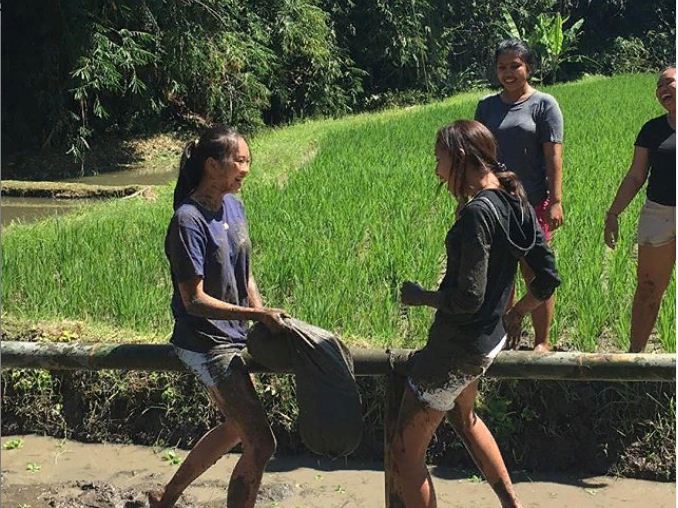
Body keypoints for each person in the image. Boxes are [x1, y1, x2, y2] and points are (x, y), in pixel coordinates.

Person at [393, 120, 560, 508]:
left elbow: (468, 299)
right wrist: (516, 314)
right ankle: (511, 504)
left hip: (457, 348)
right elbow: (547, 278)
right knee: (464, 419)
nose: (436, 170)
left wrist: (421, 297)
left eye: (439, 159)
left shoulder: (476, 214)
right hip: (488, 341)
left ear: (461, 158)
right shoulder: (514, 200)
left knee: (404, 454)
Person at [148, 124, 290, 508]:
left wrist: (258, 315)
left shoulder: (234, 206)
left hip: (235, 336)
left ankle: (166, 496)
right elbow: (193, 301)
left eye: (248, 160)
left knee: (236, 429)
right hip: (204, 341)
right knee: (261, 442)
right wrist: (256, 316)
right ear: (213, 165)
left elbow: (245, 274)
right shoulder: (187, 221)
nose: (246, 168)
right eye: (240, 160)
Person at [475, 38, 564, 352]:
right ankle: (502, 338)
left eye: (515, 65)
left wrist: (555, 200)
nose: (508, 72)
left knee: (535, 272)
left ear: (529, 67)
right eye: (502, 67)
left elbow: (553, 156)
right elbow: (479, 157)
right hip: (496, 205)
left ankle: (542, 341)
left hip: (531, 204)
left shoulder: (544, 104)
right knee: (501, 274)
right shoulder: (486, 106)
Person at [604, 67, 676, 353]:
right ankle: (635, 358)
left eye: (668, 82)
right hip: (659, 213)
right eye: (659, 86)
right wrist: (613, 213)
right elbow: (636, 176)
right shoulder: (652, 130)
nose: (662, 89)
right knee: (647, 289)